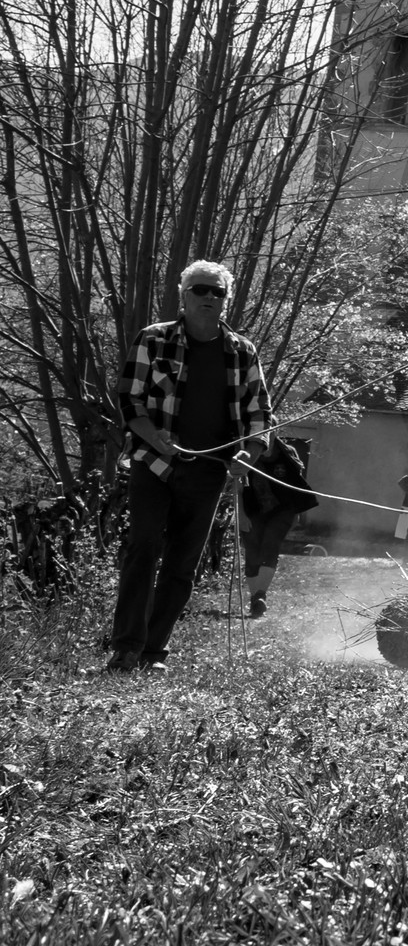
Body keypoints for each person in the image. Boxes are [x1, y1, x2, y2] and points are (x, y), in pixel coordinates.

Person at [108, 260, 271, 673]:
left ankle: (153, 651)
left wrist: (247, 456)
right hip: (154, 462)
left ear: (226, 301)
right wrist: (151, 435)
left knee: (183, 563)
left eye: (218, 292)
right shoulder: (154, 339)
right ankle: (126, 647)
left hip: (209, 471)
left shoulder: (242, 351)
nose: (210, 298)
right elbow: (129, 400)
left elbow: (260, 415)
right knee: (143, 546)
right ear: (184, 295)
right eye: (201, 289)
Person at [237, 434, 318, 616]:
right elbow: (238, 488)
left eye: (272, 432)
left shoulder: (288, 454)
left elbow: (296, 486)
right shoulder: (245, 453)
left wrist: (297, 513)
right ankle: (254, 600)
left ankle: (260, 595)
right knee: (253, 552)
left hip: (282, 510)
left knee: (270, 544)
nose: (268, 437)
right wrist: (241, 515)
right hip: (252, 509)